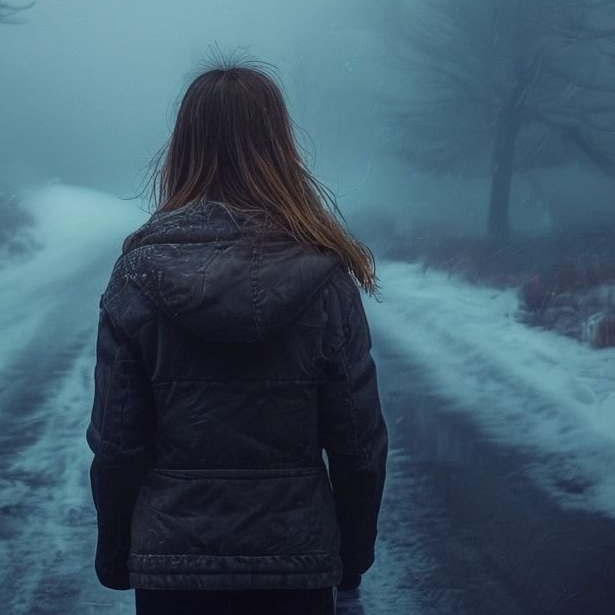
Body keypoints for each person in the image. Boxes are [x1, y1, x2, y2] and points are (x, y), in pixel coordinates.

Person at [87, 61, 389, 615]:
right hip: (295, 570)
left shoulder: (138, 276)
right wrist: (350, 558)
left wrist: (117, 557)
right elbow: (358, 445)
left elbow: (116, 444)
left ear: (184, 148)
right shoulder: (327, 280)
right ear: (279, 148)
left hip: (173, 577)